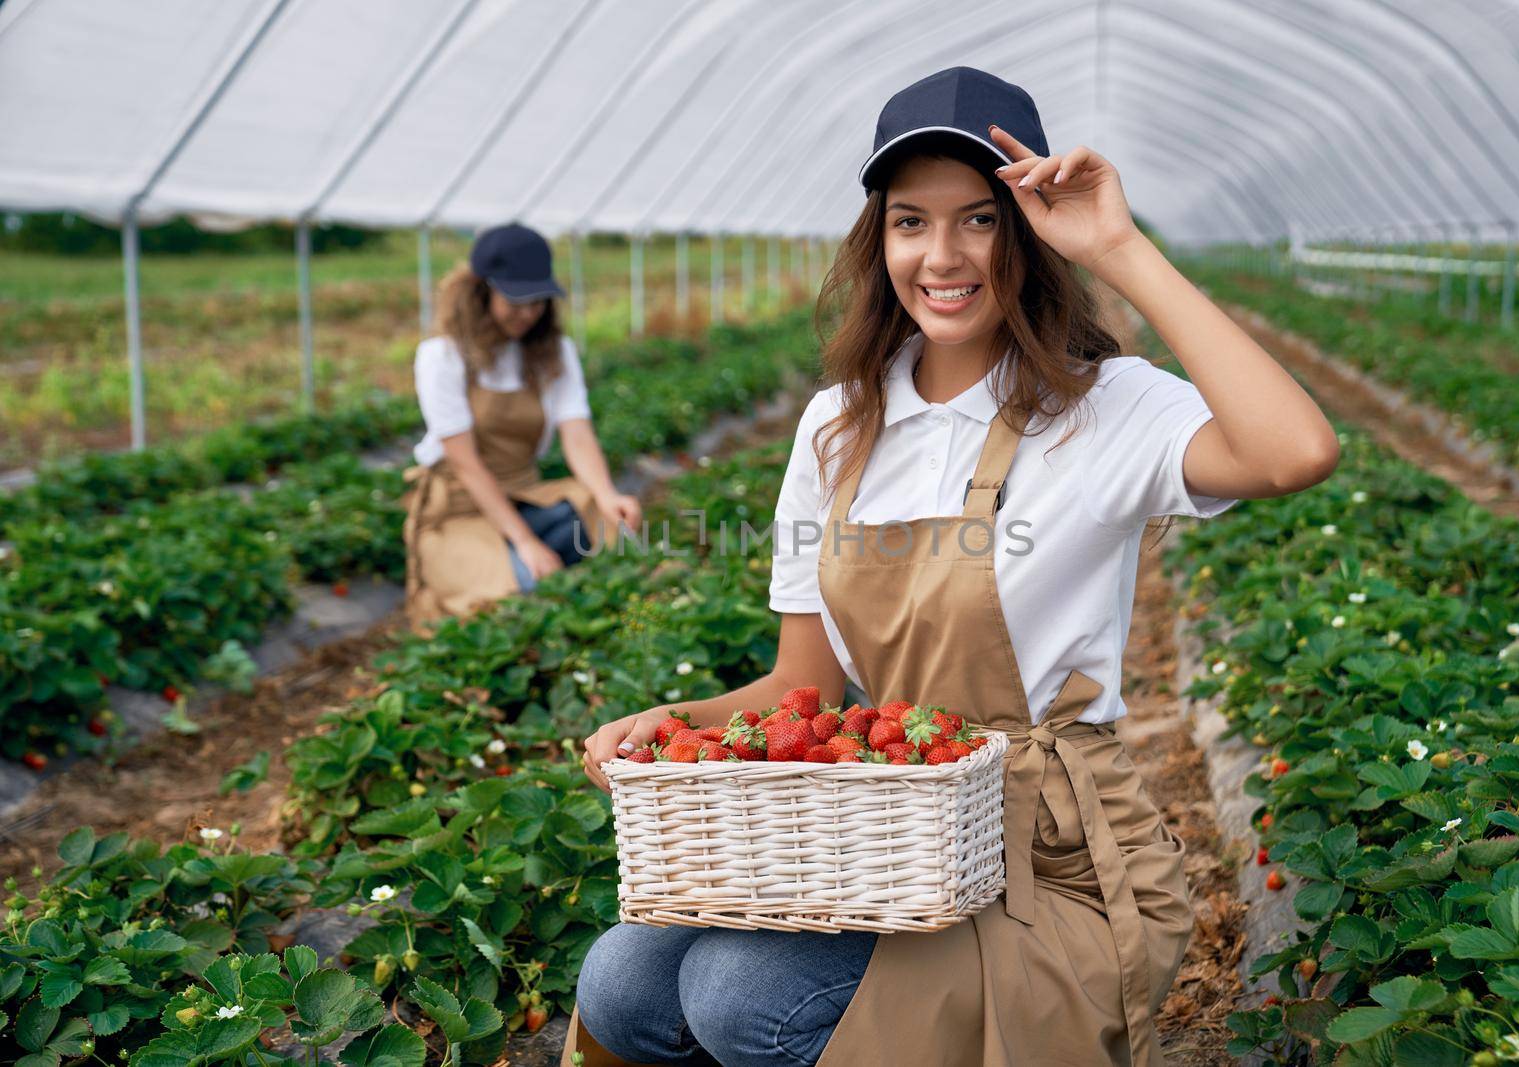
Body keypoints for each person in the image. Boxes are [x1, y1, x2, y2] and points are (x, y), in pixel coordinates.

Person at [565, 66, 1340, 1067]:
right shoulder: (836, 425)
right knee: (621, 984)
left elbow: (1295, 452)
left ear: (1027, 231)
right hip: (879, 825)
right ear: (876, 237)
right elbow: (805, 684)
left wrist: (1119, 246)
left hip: (1043, 853)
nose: (941, 255)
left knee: (738, 990)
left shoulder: (1099, 407)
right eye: (909, 221)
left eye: (978, 219)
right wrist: (673, 726)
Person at [401, 223, 640, 628]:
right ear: (481, 293)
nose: (528, 313)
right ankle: (522, 570)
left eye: (538, 301)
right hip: (460, 507)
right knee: (519, 590)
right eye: (516, 301)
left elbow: (577, 433)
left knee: (611, 530)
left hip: (526, 494)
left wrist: (606, 495)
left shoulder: (553, 353)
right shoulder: (443, 357)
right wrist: (526, 542)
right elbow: (466, 465)